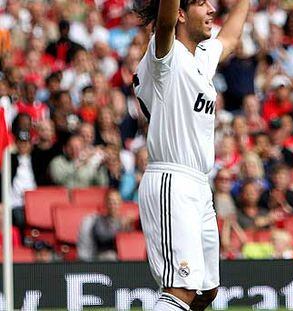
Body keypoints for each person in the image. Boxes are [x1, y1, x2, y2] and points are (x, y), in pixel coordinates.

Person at [133, 0, 249, 310]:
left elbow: (232, 38)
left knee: (205, 292)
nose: (212, 9)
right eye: (201, 3)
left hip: (198, 184)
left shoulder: (200, 57)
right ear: (181, 13)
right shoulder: (165, 57)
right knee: (180, 290)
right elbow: (164, 23)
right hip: (172, 180)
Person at [77, 189, 135, 261]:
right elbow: (103, 236)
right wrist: (120, 226)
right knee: (110, 256)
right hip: (104, 256)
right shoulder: (99, 220)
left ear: (120, 203)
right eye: (110, 202)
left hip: (124, 257)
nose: (113, 205)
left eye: (116, 202)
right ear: (106, 204)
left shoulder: (124, 221)